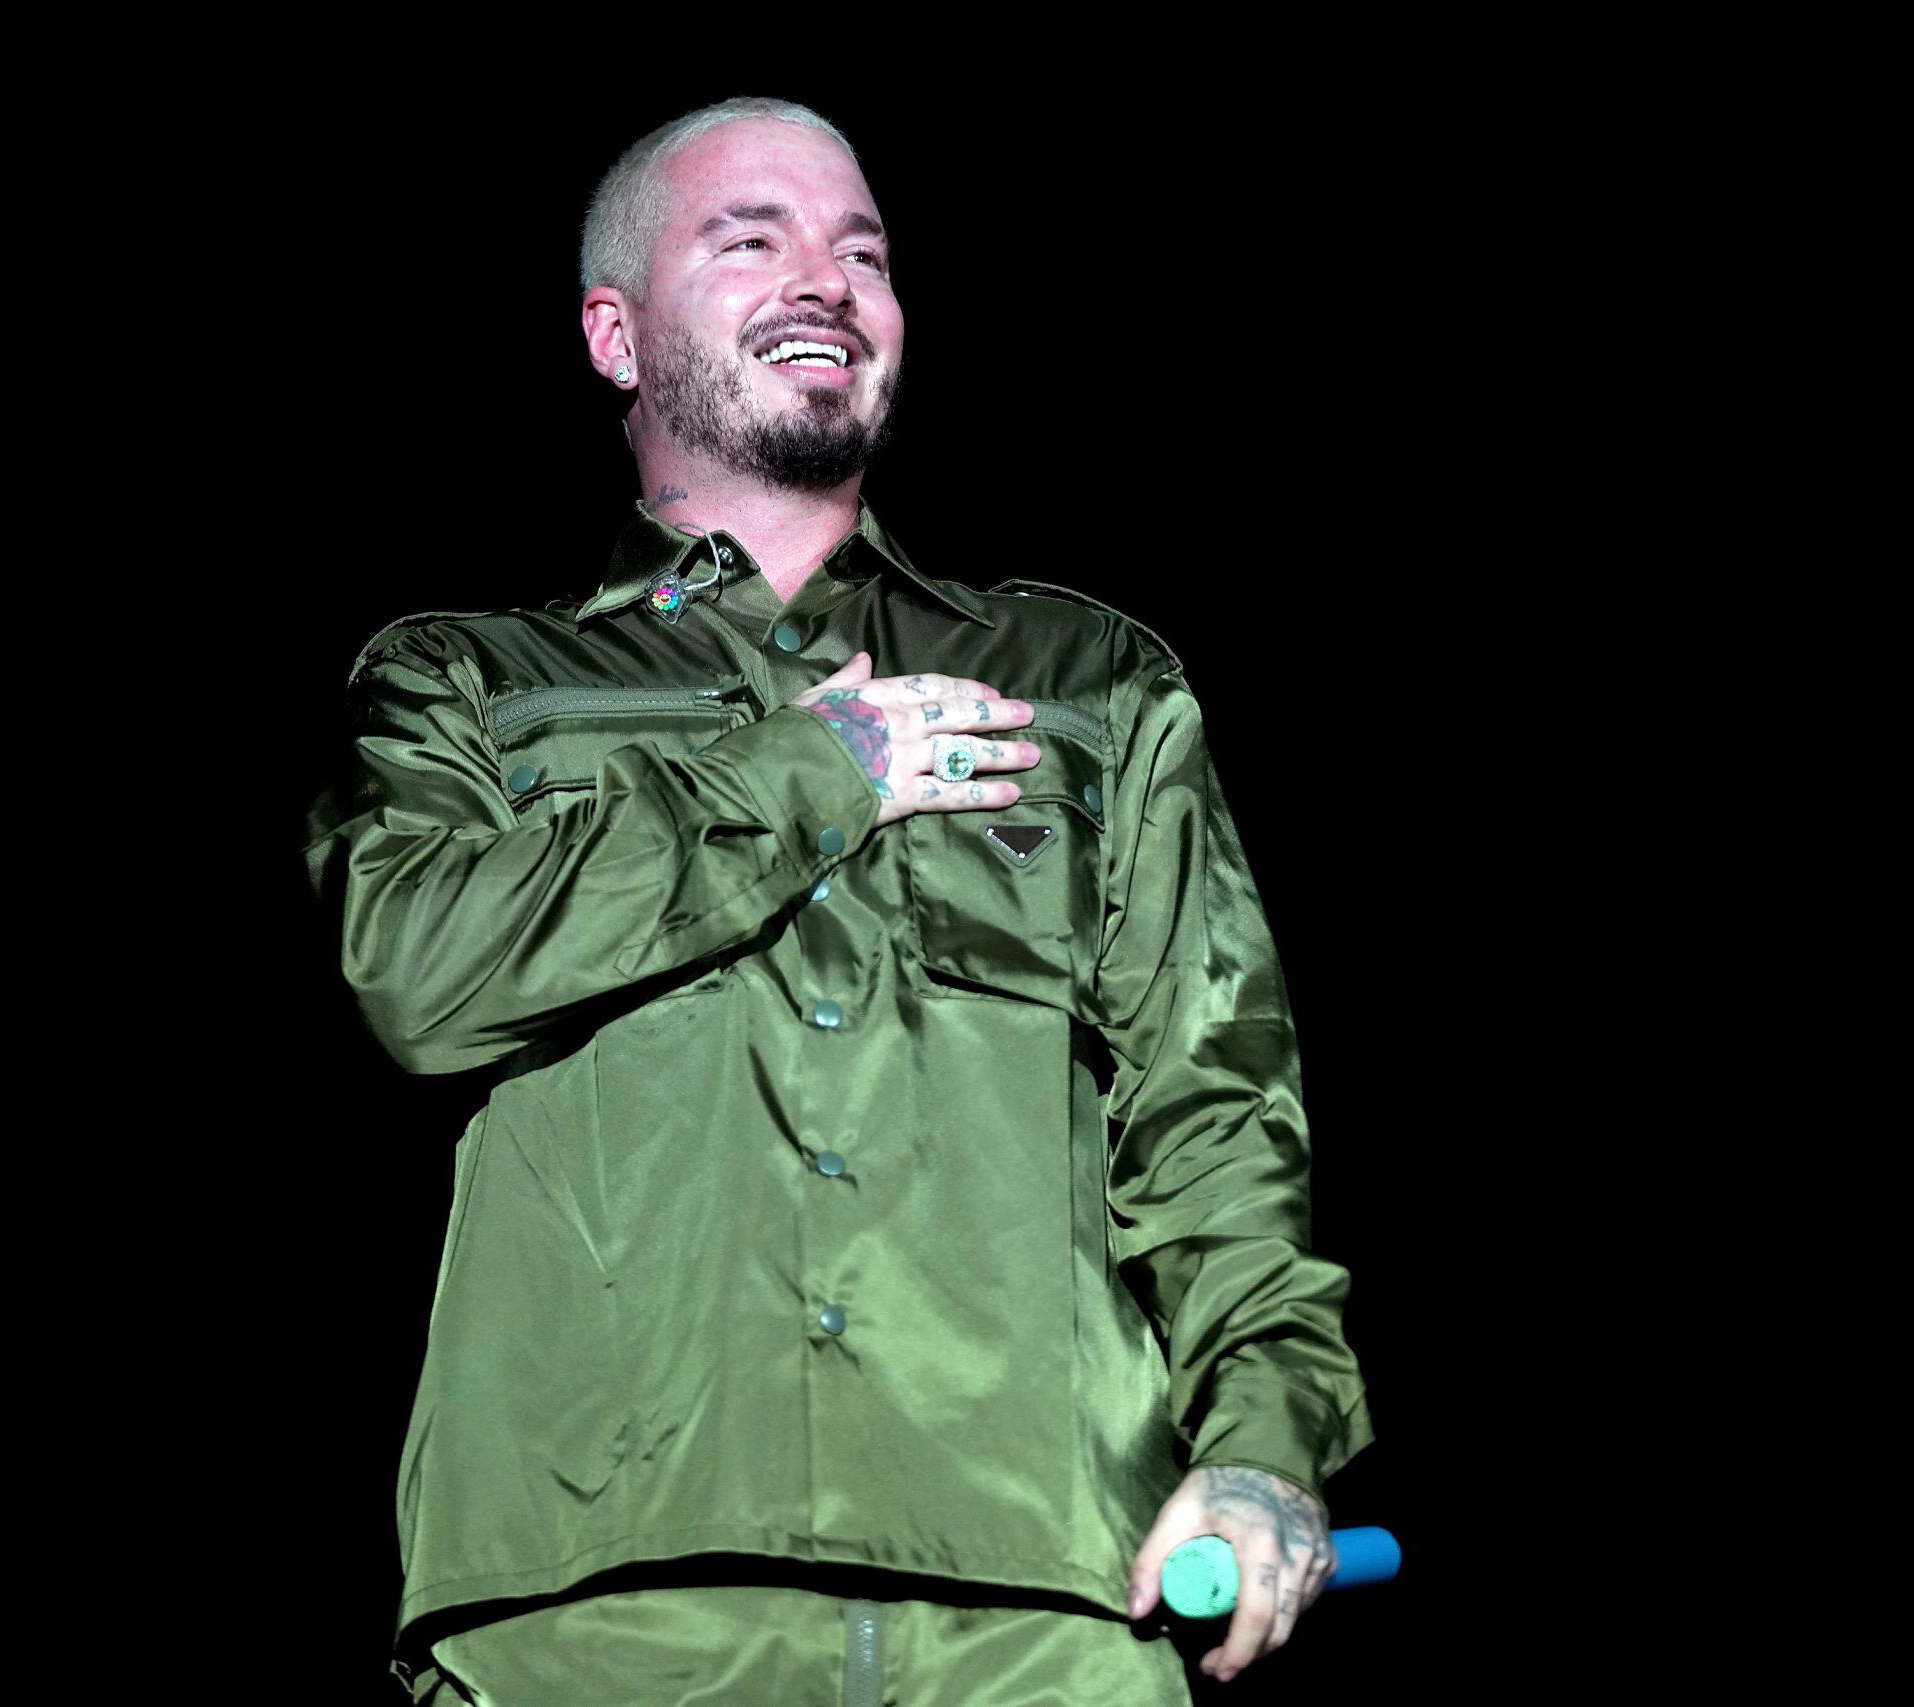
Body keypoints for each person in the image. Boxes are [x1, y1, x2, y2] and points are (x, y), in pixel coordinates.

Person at [302, 96, 1372, 1705]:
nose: (829, 280)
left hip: (1046, 1614)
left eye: (864, 253)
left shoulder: (1088, 682)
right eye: (753, 241)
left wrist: (1267, 1444)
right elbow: (417, 968)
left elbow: (1215, 1114)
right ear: (614, 335)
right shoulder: (469, 682)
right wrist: (817, 773)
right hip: (607, 1620)